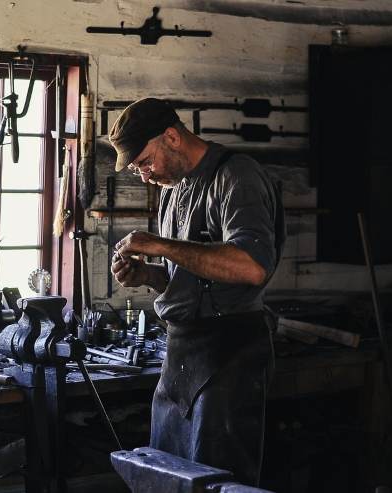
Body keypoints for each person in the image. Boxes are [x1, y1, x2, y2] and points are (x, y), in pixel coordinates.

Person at [108, 98, 285, 486]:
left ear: (171, 136)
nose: (143, 176)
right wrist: (148, 275)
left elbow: (251, 266)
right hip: (182, 355)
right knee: (166, 477)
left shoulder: (236, 176)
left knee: (215, 481)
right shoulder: (174, 191)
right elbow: (189, 277)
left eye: (144, 162)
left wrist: (162, 245)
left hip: (230, 352)